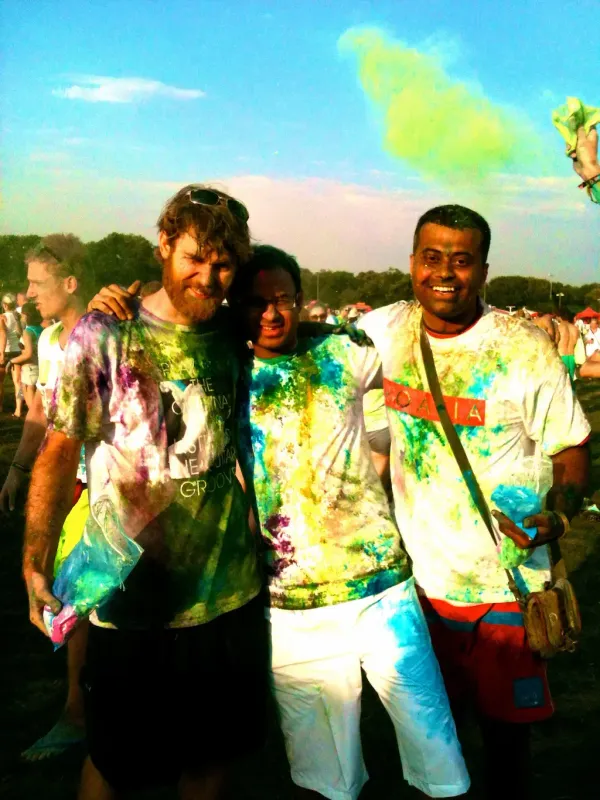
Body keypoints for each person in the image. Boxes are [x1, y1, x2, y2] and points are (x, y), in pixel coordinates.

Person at [23, 184, 267, 800]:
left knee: (209, 759)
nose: (209, 277)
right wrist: (33, 560)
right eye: (195, 258)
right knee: (113, 761)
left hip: (226, 595)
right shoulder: (106, 334)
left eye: (223, 264)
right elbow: (57, 452)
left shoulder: (232, 332)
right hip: (132, 599)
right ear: (163, 244)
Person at [359, 204, 591, 800]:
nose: (445, 273)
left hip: (504, 591)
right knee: (435, 746)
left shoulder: (524, 348)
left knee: (506, 748)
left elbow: (572, 449)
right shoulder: (385, 331)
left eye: (462, 261)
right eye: (432, 257)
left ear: (483, 270)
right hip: (417, 590)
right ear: (411, 263)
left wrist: (556, 514)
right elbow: (286, 337)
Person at [231, 244, 469, 800]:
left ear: (300, 301)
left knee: (437, 750)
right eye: (256, 301)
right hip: (290, 607)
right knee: (326, 775)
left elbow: (425, 327)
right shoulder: (223, 372)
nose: (271, 313)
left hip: (383, 588)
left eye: (283, 299)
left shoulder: (346, 350)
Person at [0, 237, 91, 762]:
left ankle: (78, 713)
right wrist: (18, 467)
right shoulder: (54, 340)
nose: (30, 293)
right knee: (70, 593)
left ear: (71, 282)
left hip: (103, 489)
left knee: (75, 596)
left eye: (38, 282)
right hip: (65, 483)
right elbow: (40, 409)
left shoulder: (113, 336)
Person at [5, 302, 44, 413]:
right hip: (38, 366)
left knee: (31, 405)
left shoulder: (28, 331)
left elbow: (28, 354)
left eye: (22, 315)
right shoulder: (39, 329)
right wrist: (17, 321)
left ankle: (37, 426)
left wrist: (12, 361)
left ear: (26, 315)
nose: (21, 317)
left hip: (29, 368)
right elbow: (24, 338)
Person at [0, 293, 23, 414]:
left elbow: (3, 335)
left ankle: (0, 407)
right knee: (18, 382)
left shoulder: (2, 317)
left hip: (5, 351)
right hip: (17, 351)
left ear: (4, 305)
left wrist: (2, 354)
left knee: (0, 382)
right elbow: (20, 333)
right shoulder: (18, 316)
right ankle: (18, 409)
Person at [571, 125, 600, 203]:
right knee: (589, 160)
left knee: (584, 167)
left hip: (590, 178)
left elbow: (579, 171)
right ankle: (586, 124)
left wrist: (574, 157)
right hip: (593, 175)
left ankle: (585, 124)